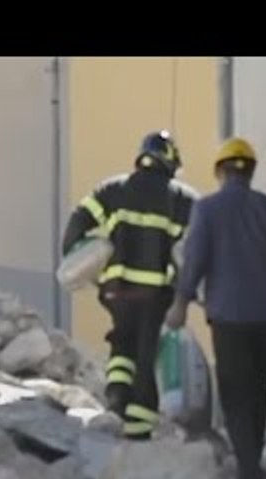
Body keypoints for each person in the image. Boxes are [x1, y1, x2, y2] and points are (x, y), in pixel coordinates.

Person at [166, 137, 266, 479]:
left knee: (234, 393)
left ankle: (249, 474)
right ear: (251, 172)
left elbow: (195, 262)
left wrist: (180, 303)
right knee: (258, 389)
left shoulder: (206, 210)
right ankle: (254, 466)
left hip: (229, 317)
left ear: (220, 172)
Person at [62, 130, 198, 440]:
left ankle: (116, 394)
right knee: (146, 357)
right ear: (171, 162)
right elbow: (197, 247)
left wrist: (80, 264)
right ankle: (138, 432)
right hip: (154, 295)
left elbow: (76, 224)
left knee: (122, 342)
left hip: (115, 291)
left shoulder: (112, 189)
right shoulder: (181, 198)